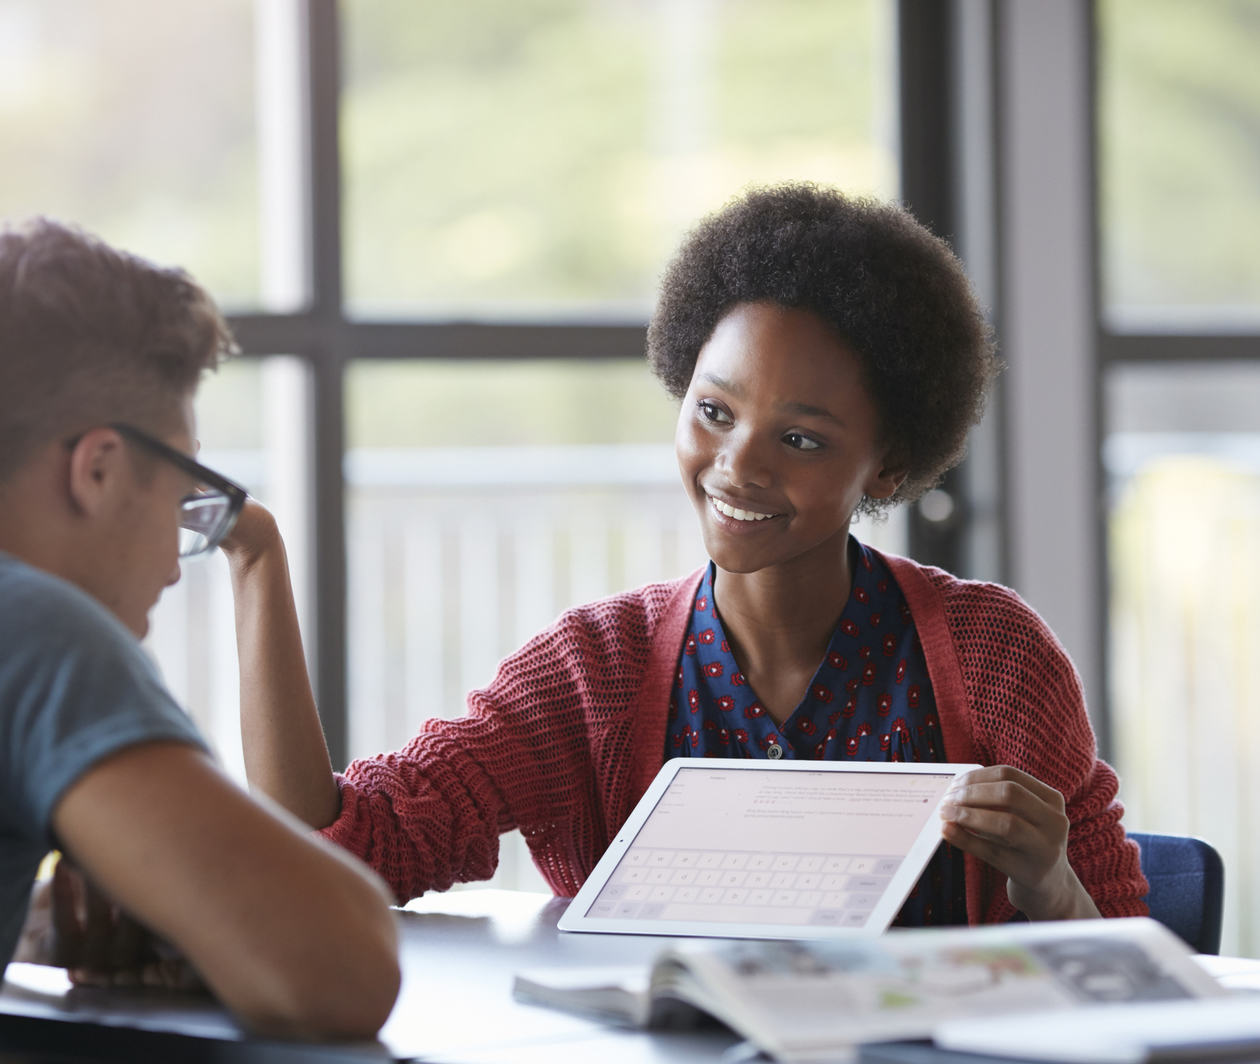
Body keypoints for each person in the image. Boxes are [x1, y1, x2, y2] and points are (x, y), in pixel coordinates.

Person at [238, 183, 1148, 925]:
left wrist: (1045, 880)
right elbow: (344, 847)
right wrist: (258, 563)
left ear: (891, 464)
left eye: (801, 441)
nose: (736, 466)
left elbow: (1124, 965)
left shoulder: (992, 654)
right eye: (714, 413)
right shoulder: (594, 673)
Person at [0, 218, 400, 1038]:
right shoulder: (33, 625)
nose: (175, 563)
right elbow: (343, 967)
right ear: (100, 469)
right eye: (183, 501)